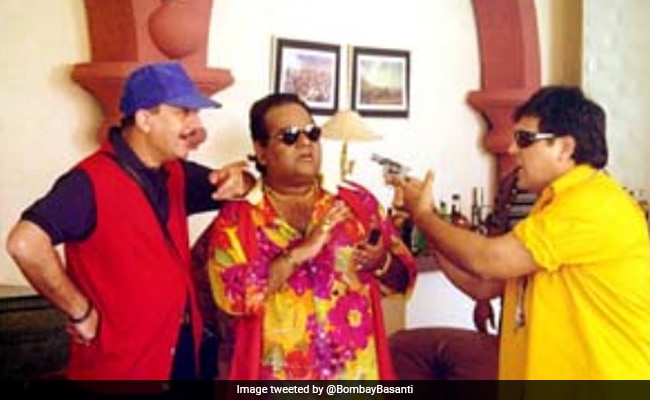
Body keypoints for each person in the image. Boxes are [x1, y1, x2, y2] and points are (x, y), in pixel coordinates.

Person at [5, 61, 253, 380]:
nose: (196, 124)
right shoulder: (89, 181)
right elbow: (25, 243)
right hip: (120, 369)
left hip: (179, 355)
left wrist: (244, 180)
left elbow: (235, 189)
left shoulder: (176, 172)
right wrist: (80, 311)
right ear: (144, 119)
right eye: (183, 112)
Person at [388, 86, 650, 379]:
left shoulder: (593, 203)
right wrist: (428, 221)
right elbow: (483, 286)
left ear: (565, 148)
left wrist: (425, 217)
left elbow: (488, 260)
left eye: (524, 139)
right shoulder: (554, 205)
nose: (512, 150)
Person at [205, 93, 416, 380]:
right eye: (290, 136)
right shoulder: (236, 221)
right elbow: (233, 298)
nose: (305, 143)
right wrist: (297, 255)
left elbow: (403, 279)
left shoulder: (358, 205)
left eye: (312, 133)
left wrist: (382, 263)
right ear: (261, 151)